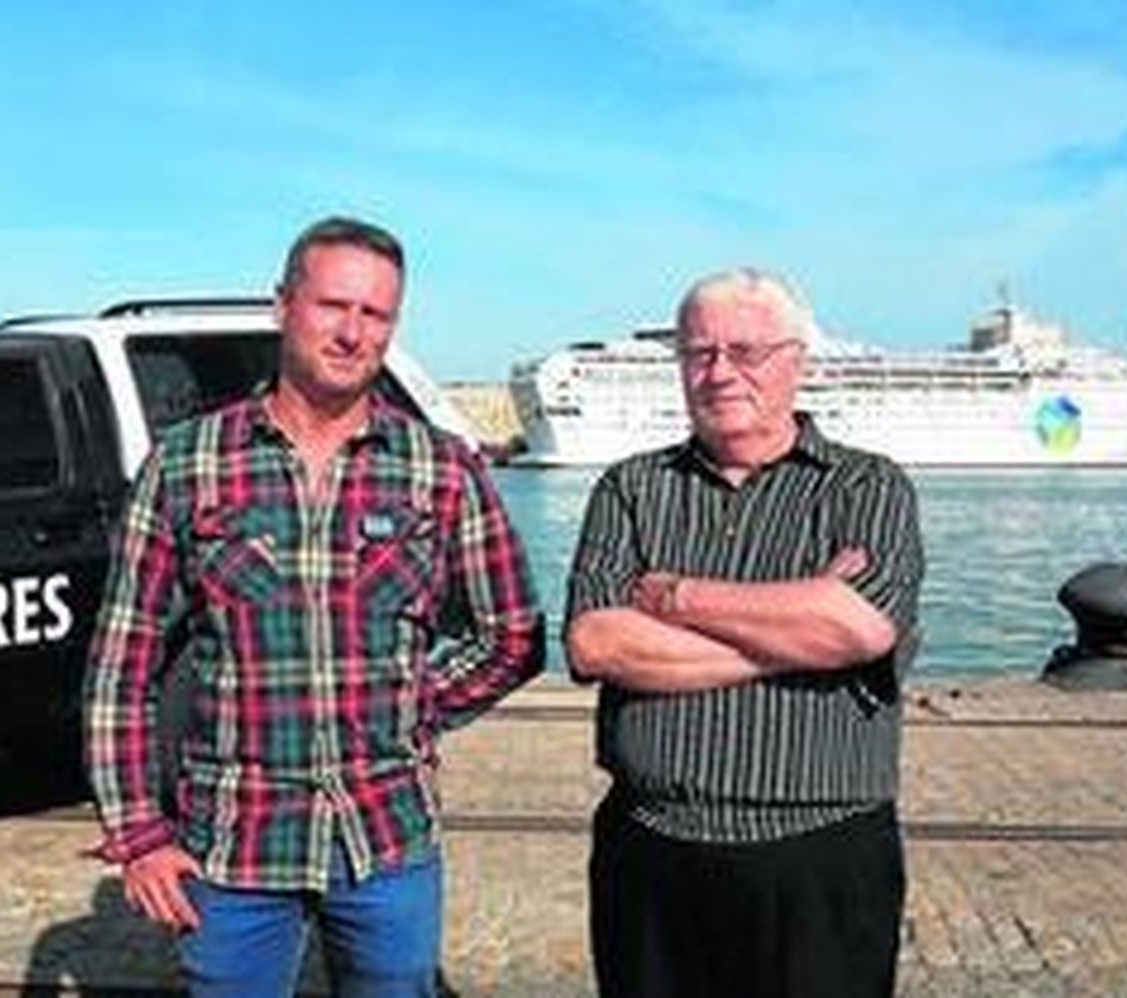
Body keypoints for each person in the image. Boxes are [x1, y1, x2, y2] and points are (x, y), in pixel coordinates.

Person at [85, 216, 544, 997]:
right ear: (283, 305)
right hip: (232, 847)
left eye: (376, 315)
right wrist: (138, 834)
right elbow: (120, 671)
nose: (352, 332)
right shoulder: (188, 463)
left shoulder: (440, 468)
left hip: (388, 842)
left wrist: (414, 702)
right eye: (333, 305)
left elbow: (515, 636)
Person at [564, 267, 925, 997]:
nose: (719, 372)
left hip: (821, 860)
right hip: (650, 855)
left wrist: (677, 595)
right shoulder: (631, 488)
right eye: (698, 352)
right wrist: (793, 630)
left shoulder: (867, 486)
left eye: (746, 351)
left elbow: (858, 628)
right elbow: (596, 643)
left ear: (798, 359)